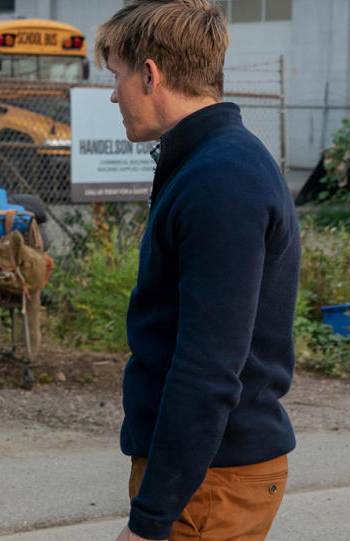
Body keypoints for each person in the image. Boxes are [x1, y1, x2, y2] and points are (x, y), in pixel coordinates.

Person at [94, 2, 301, 540]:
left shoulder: (222, 179)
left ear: (149, 73)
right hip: (204, 472)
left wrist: (151, 519)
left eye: (116, 75)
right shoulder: (205, 163)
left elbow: (208, 367)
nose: (114, 94)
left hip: (211, 480)